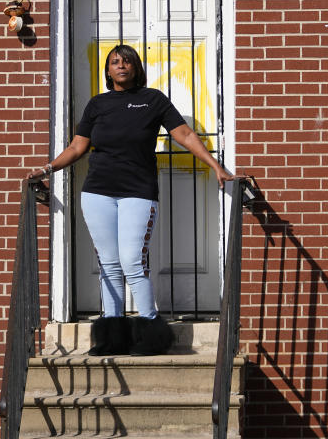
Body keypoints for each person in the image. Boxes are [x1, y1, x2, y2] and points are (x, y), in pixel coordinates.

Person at [27, 44, 234, 356]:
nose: (121, 66)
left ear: (136, 67)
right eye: (114, 62)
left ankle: (150, 332)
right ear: (108, 71)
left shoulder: (152, 100)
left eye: (126, 61)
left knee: (132, 261)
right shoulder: (98, 105)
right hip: (97, 192)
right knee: (108, 263)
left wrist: (216, 165)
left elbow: (185, 135)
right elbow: (77, 147)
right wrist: (47, 168)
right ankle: (112, 337)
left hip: (138, 191)